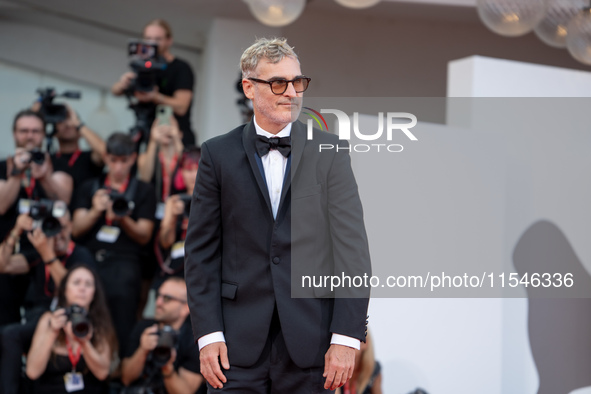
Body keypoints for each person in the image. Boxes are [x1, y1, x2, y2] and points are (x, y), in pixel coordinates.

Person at [184, 37, 371, 393]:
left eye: (298, 82)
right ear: (249, 88)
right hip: (233, 347)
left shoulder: (330, 153)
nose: (292, 93)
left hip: (313, 343)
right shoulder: (216, 154)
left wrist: (347, 337)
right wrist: (208, 335)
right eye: (279, 83)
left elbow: (353, 254)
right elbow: (201, 253)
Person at [72, 132, 156, 352]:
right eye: (113, 160)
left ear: (133, 158)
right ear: (105, 157)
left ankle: (119, 374)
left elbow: (144, 235)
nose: (118, 167)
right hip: (90, 260)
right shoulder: (89, 187)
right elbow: (75, 229)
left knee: (123, 322)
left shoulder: (143, 190)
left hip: (125, 262)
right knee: (84, 316)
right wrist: (95, 210)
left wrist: (122, 217)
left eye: (124, 161)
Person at [0, 205, 96, 394]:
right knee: (7, 334)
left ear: (70, 227)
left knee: (11, 334)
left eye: (62, 227)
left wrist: (48, 255)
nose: (57, 234)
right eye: (52, 227)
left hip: (71, 315)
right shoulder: (40, 252)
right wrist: (16, 231)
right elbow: (4, 265)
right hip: (39, 315)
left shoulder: (80, 254)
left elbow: (72, 289)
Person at [0, 109, 73, 329]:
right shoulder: (3, 168)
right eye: (24, 131)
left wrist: (45, 176)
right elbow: (2, 205)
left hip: (46, 255)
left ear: (43, 135)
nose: (29, 136)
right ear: (14, 134)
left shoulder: (57, 166)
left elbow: (64, 199)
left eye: (35, 131)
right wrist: (17, 172)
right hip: (8, 253)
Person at [25, 264, 117, 394]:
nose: (82, 288)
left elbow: (103, 373)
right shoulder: (49, 319)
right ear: (64, 289)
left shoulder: (100, 323)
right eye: (76, 283)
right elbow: (32, 372)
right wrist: (52, 332)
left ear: (94, 292)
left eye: (88, 284)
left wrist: (84, 342)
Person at [111, 19, 196, 146]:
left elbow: (182, 107)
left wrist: (155, 97)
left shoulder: (181, 68)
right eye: (148, 38)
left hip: (174, 137)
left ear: (169, 40)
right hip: (145, 134)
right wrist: (123, 83)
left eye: (157, 39)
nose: (152, 43)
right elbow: (115, 90)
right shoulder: (141, 65)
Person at [121, 277, 205, 393]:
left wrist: (167, 368)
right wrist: (143, 350)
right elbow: (126, 379)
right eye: (158, 296)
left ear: (185, 308)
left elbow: (186, 392)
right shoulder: (144, 327)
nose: (158, 302)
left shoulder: (195, 339)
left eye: (167, 298)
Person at [153, 146, 200, 290]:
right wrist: (172, 218)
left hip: (201, 266)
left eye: (197, 169)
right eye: (188, 170)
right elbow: (165, 243)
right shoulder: (174, 201)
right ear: (181, 173)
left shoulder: (216, 200)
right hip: (177, 265)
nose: (193, 175)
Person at [50, 105, 106, 191]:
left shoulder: (89, 157)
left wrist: (79, 124)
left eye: (70, 120)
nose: (67, 124)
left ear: (80, 133)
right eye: (61, 121)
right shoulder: (47, 160)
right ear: (54, 132)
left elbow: (106, 152)